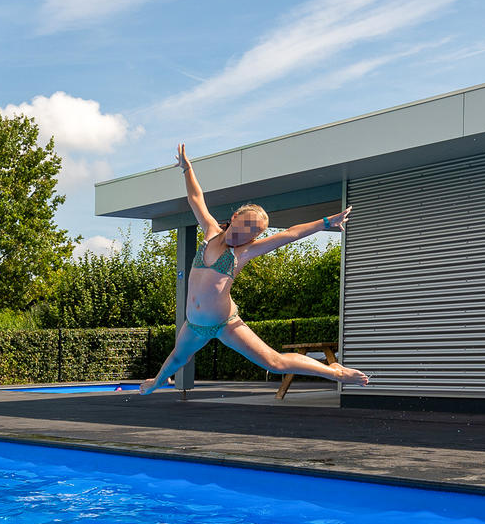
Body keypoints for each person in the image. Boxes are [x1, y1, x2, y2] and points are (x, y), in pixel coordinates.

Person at [140, 144, 371, 396]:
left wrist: (325, 222)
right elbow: (196, 198)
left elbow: (290, 234)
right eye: (246, 225)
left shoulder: (244, 252)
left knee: (274, 363)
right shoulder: (210, 231)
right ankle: (156, 382)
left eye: (253, 232)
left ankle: (335, 371)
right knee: (177, 358)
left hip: (225, 323)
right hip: (194, 325)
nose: (246, 234)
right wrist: (187, 169)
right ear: (235, 217)